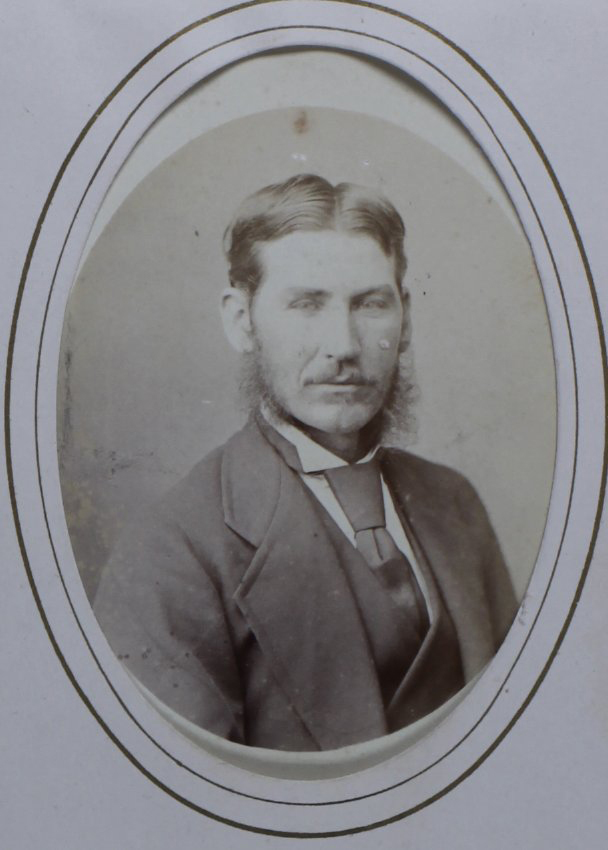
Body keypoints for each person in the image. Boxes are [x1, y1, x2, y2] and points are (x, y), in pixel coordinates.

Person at [94, 174, 517, 752]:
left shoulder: (454, 502)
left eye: (370, 304)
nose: (342, 344)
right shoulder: (170, 554)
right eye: (306, 304)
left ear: (407, 319)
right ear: (242, 322)